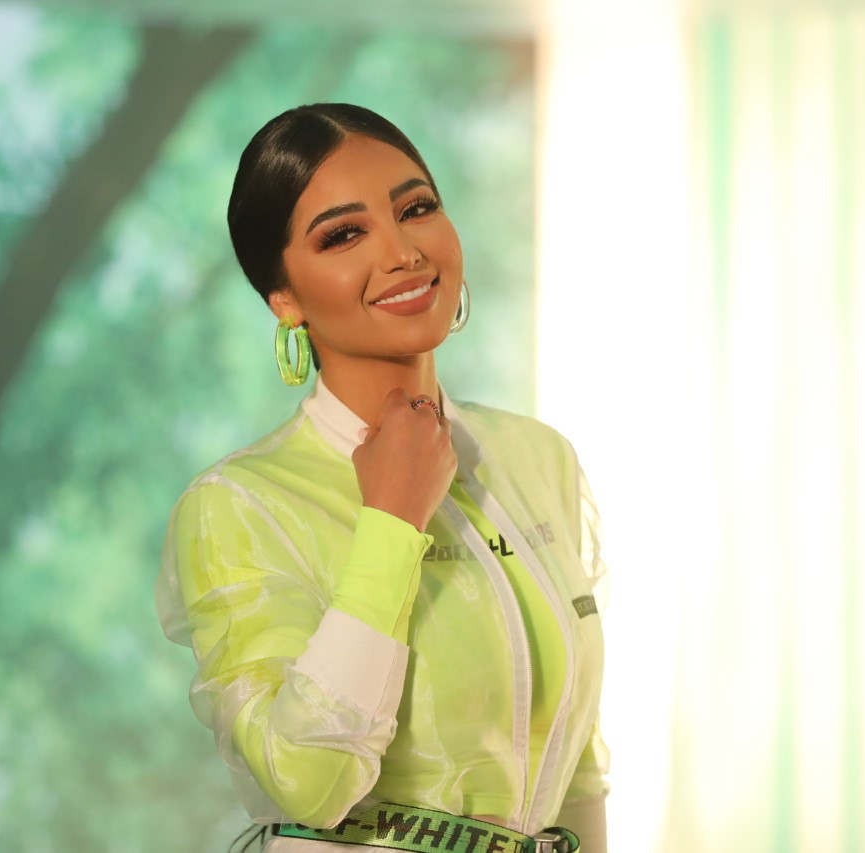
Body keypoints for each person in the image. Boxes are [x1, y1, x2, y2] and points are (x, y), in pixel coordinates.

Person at [156, 104, 609, 853]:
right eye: (343, 234)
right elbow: (308, 782)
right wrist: (393, 519)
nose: (401, 252)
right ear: (283, 298)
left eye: (416, 208)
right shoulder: (238, 507)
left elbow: (578, 763)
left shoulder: (535, 457)